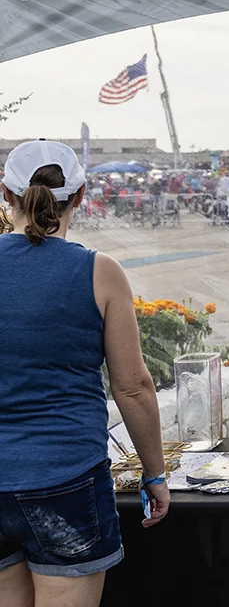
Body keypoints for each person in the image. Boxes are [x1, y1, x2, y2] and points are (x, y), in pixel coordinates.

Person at [0, 140, 169, 607]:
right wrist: (154, 474)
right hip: (65, 477)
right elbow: (133, 387)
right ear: (80, 196)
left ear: (5, 194)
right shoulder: (100, 272)